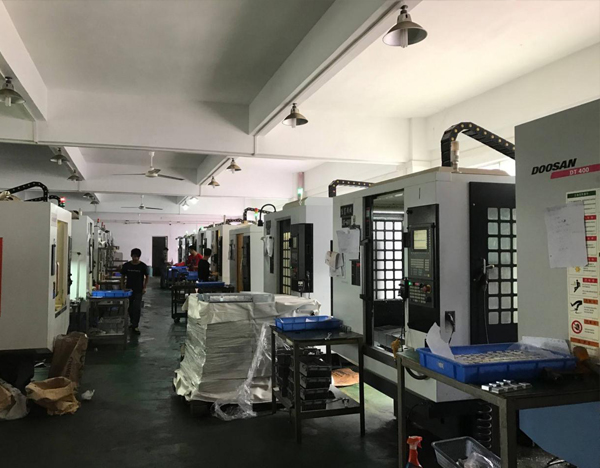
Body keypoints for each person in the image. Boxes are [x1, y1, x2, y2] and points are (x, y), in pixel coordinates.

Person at [120, 248, 149, 335]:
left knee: (137, 307)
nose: (135, 258)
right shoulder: (127, 266)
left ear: (139, 257)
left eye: (137, 257)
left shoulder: (143, 266)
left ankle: (135, 325)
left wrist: (144, 287)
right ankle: (132, 322)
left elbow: (147, 276)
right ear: (131, 256)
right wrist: (122, 287)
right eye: (134, 256)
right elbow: (122, 276)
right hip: (128, 290)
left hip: (139, 290)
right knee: (130, 308)